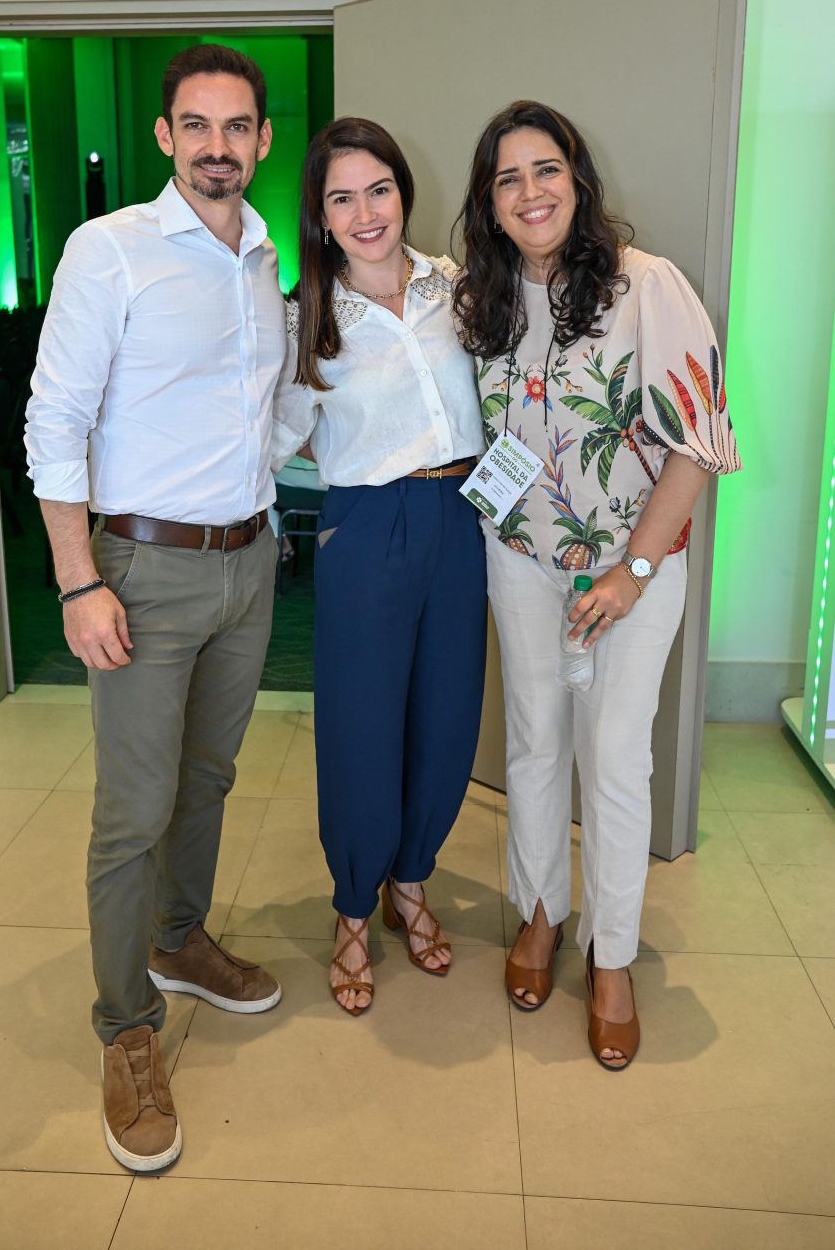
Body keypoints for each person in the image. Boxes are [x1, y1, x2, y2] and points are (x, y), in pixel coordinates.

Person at [25, 44, 286, 1169]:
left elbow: (270, 414)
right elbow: (54, 419)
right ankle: (125, 1025)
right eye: (198, 125)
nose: (218, 145)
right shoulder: (111, 251)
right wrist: (79, 578)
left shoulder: (271, 255)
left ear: (263, 139)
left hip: (248, 564)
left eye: (238, 127)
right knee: (134, 806)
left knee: (212, 776)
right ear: (165, 137)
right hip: (140, 570)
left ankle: (181, 942)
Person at [453, 100, 741, 1069]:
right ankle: (540, 909)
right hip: (522, 557)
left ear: (578, 182)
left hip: (633, 565)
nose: (529, 191)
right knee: (533, 738)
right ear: (488, 204)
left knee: (612, 756)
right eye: (507, 178)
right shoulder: (484, 301)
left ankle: (609, 954)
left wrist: (632, 570)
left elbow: (699, 444)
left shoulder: (646, 286)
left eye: (546, 170)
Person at [272, 118, 487, 1014]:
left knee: (446, 715)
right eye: (340, 197)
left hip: (462, 515)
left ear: (404, 192)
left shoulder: (461, 286)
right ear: (319, 216)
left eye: (378, 190)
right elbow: (274, 437)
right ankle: (355, 907)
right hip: (365, 526)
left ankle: (411, 882)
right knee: (362, 726)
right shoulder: (306, 317)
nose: (365, 213)